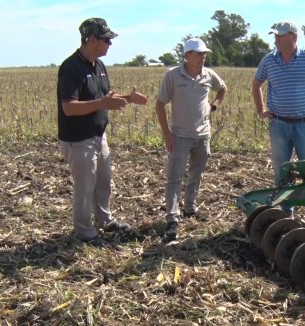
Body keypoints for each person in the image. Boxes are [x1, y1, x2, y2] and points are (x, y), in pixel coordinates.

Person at [57, 18, 148, 246]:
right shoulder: (71, 68)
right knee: (85, 188)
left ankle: (105, 220)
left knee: (104, 182)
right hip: (78, 139)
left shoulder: (99, 65)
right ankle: (84, 231)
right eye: (106, 39)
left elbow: (105, 98)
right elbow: (68, 107)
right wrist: (101, 103)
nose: (110, 44)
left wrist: (128, 98)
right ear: (91, 39)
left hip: (99, 135)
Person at [252, 20, 305, 227]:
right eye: (275, 36)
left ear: (294, 37)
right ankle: (286, 212)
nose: (277, 40)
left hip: (304, 124)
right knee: (283, 170)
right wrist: (261, 110)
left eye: (281, 36)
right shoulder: (269, 60)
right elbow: (256, 84)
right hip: (278, 124)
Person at [155, 37, 227, 242]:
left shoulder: (208, 75)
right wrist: (167, 133)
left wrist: (214, 105)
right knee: (174, 178)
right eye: (199, 53)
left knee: (196, 174)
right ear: (187, 55)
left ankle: (190, 207)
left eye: (204, 53)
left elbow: (223, 89)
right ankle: (172, 219)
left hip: (203, 136)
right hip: (179, 136)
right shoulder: (173, 76)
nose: (203, 57)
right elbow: (160, 104)